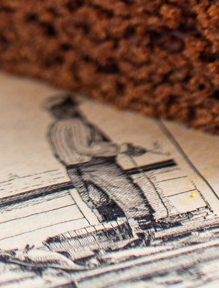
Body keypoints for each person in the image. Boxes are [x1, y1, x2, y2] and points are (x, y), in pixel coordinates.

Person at [44, 95, 158, 233]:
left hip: (74, 169)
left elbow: (60, 153)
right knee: (125, 190)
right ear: (66, 109)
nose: (76, 109)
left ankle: (121, 230)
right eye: (72, 106)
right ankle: (146, 225)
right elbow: (85, 147)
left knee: (97, 199)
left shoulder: (54, 128)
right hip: (96, 164)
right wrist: (122, 148)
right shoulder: (76, 123)